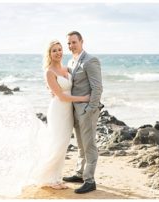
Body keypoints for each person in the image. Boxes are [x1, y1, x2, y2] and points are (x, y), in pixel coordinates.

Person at [0, 40, 90, 197]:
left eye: (60, 49)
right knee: (57, 144)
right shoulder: (49, 72)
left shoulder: (66, 68)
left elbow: (75, 84)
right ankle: (48, 178)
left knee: (62, 145)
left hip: (68, 112)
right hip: (58, 110)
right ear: (49, 54)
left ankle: (55, 176)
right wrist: (83, 98)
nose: (58, 52)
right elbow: (61, 96)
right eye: (54, 50)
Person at [62, 31, 103, 194]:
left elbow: (97, 87)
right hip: (75, 110)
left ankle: (90, 180)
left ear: (81, 42)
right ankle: (80, 174)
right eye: (69, 43)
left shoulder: (90, 60)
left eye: (74, 42)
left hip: (87, 111)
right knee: (80, 144)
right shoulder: (71, 61)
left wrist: (90, 109)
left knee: (89, 145)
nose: (71, 46)